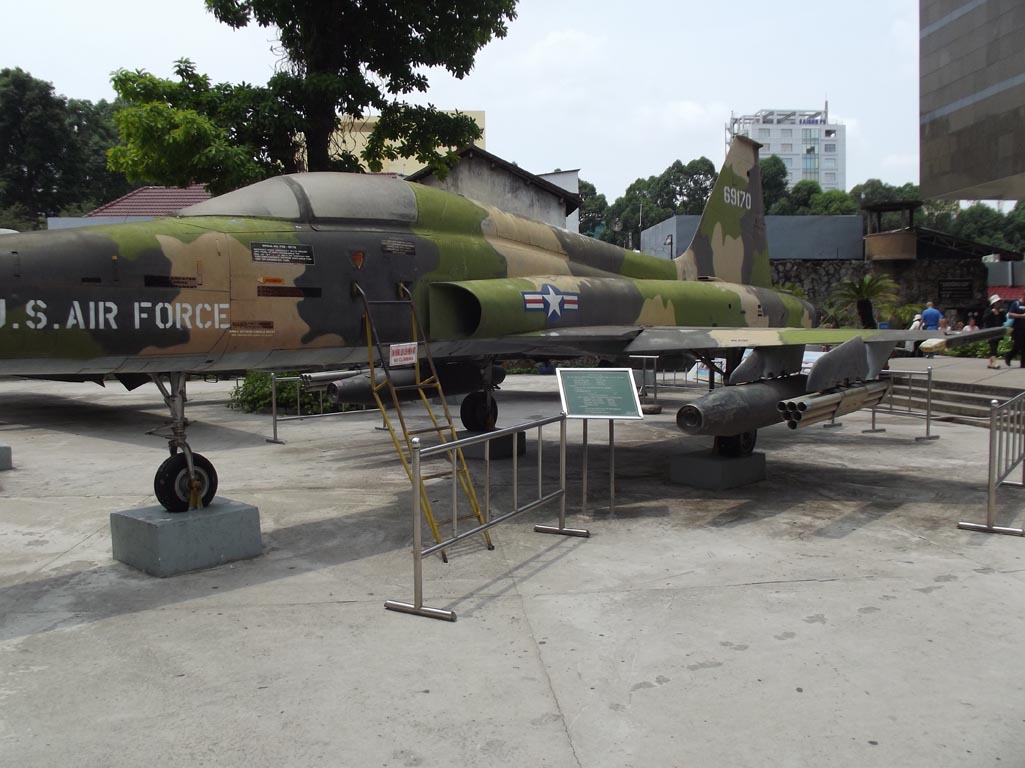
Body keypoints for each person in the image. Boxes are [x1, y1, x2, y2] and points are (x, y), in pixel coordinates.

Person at [982, 294, 1006, 369]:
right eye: (997, 302)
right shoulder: (988, 311)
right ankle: (994, 363)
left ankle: (991, 363)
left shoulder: (1001, 311)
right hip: (990, 332)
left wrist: (1001, 313)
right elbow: (984, 319)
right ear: (993, 303)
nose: (998, 304)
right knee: (993, 347)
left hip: (997, 332)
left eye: (999, 302)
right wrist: (992, 313)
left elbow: (1004, 320)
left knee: (995, 347)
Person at [1006, 290, 1025, 368]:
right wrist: (1021, 316)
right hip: (1017, 329)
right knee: (1018, 345)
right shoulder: (1016, 304)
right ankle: (1009, 356)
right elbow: (1010, 314)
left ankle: (1023, 363)